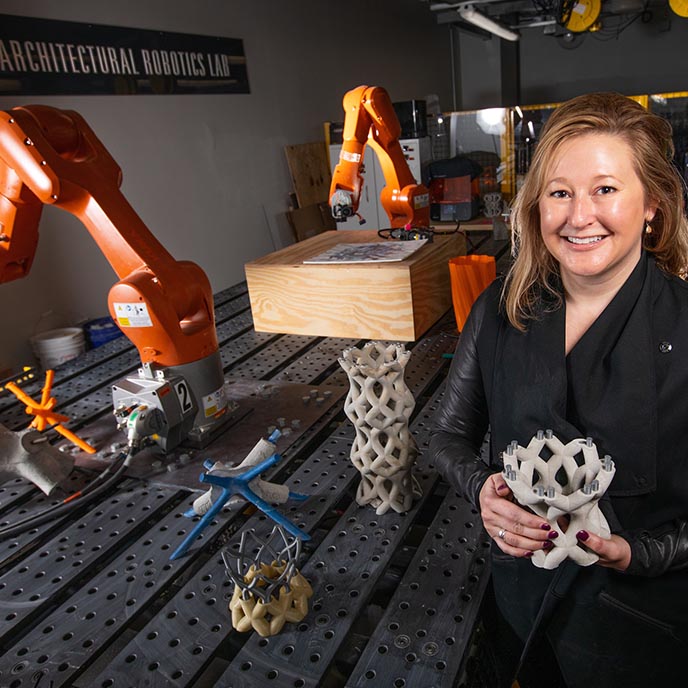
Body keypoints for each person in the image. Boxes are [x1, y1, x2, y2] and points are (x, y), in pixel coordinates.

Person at [430, 92, 688, 688]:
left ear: (652, 203)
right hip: (518, 604)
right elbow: (447, 435)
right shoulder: (501, 309)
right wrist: (482, 491)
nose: (579, 216)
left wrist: (639, 552)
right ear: (536, 206)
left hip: (638, 624)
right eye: (560, 192)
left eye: (604, 189)